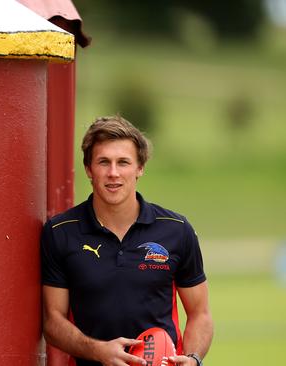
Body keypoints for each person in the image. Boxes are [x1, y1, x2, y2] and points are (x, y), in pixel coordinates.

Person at [41, 115, 213, 366]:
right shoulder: (60, 232)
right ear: (89, 169)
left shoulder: (176, 230)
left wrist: (193, 358)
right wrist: (99, 351)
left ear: (139, 168)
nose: (113, 173)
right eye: (103, 162)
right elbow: (52, 322)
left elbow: (201, 314)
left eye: (123, 162)